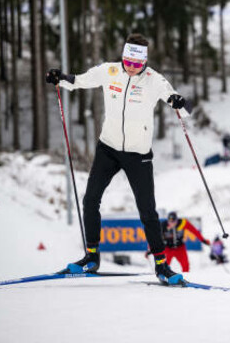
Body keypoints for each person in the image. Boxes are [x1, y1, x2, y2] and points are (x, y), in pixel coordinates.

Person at [45, 33, 187, 286]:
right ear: (123, 57)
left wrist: (178, 102)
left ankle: (161, 265)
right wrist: (61, 78)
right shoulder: (109, 71)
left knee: (147, 211)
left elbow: (174, 99)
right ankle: (91, 257)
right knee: (90, 200)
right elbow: (79, 81)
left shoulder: (154, 80)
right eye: (128, 62)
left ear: (144, 62)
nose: (131, 68)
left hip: (138, 154)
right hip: (108, 149)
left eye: (137, 64)